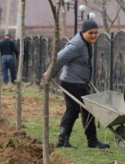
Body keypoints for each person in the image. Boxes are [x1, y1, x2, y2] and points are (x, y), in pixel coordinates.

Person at [43, 20, 109, 149]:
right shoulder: (77, 45)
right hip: (73, 83)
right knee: (88, 110)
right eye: (91, 33)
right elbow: (60, 57)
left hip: (77, 81)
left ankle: (63, 141)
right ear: (83, 32)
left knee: (73, 110)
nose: (94, 35)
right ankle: (92, 141)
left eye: (96, 33)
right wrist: (50, 73)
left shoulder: (85, 43)